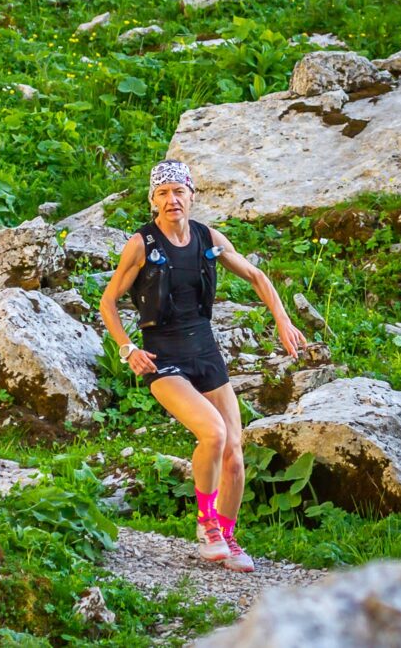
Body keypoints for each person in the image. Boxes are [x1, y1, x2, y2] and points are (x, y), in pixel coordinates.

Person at [99, 160, 308, 573]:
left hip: (207, 355)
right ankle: (206, 524)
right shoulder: (141, 244)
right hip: (164, 359)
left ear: (192, 196)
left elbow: (256, 275)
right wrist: (127, 349)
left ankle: (228, 537)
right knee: (212, 433)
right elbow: (108, 302)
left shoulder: (207, 237)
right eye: (162, 193)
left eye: (178, 191)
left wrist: (282, 319)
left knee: (234, 451)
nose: (171, 199)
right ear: (153, 201)